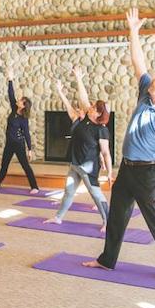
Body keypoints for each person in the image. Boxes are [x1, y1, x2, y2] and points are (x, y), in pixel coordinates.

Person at [83, 8, 155, 287]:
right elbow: (138, 62)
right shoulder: (146, 92)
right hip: (127, 169)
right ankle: (107, 260)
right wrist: (133, 31)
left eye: (154, 83)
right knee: (117, 216)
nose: (149, 82)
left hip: (149, 174)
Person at [44, 69, 111, 230]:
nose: (90, 107)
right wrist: (63, 90)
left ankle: (108, 222)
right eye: (92, 106)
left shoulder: (101, 129)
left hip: (88, 168)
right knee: (68, 191)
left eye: (94, 107)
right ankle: (58, 217)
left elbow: (106, 152)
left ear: (99, 114)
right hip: (75, 164)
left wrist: (110, 172)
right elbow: (78, 101)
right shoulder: (81, 120)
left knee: (95, 194)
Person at [0, 66, 39, 193]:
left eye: (21, 101)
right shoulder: (13, 109)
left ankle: (34, 187)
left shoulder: (23, 119)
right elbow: (11, 93)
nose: (18, 100)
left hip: (18, 143)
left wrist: (29, 149)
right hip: (9, 143)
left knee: (25, 166)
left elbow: (27, 134)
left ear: (24, 106)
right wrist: (10, 79)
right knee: (4, 164)